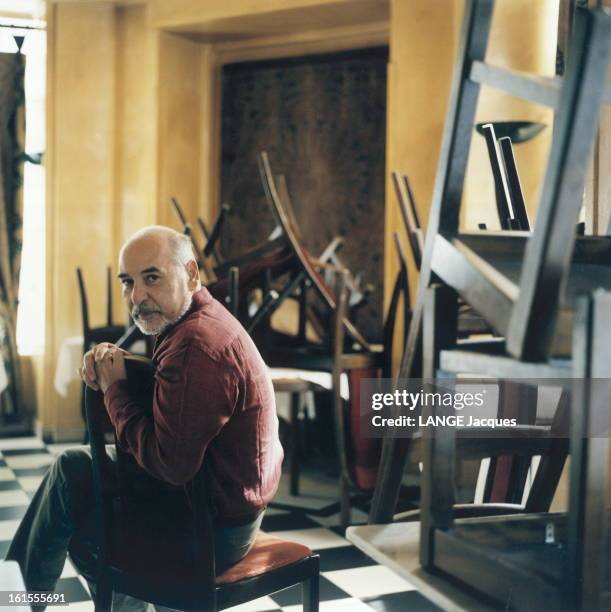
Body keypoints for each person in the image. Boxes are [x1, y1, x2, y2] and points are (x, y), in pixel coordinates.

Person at [6, 225, 283, 610]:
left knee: (80, 520)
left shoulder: (196, 346)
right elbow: (172, 390)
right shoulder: (199, 319)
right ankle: (15, 597)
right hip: (223, 507)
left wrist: (115, 388)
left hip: (213, 533)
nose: (136, 296)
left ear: (190, 273)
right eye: (127, 282)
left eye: (151, 277)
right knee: (72, 467)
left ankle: (15, 600)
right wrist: (117, 365)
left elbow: (170, 466)